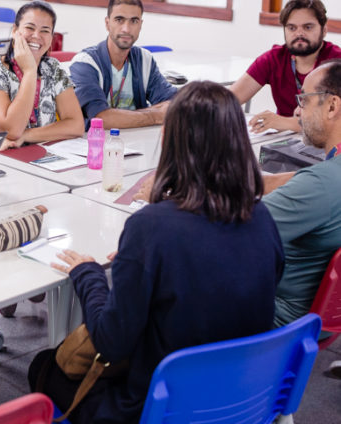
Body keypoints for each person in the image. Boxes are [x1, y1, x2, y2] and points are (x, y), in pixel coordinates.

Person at [28, 81, 284, 424]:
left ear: (168, 139)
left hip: (159, 405)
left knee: (43, 366)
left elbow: (110, 342)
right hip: (243, 396)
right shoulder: (261, 216)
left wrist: (89, 275)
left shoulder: (151, 228)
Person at [261, 59, 341, 328]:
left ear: (332, 106)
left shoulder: (320, 184)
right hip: (326, 318)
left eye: (304, 100)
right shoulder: (326, 178)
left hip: (279, 324)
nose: (297, 111)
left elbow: (235, 233)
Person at [0, 0, 84, 150]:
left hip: (39, 156)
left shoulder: (53, 68)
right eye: (30, 28)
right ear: (15, 31)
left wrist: (26, 135)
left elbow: (76, 125)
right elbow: (12, 130)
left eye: (45, 31)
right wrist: (30, 71)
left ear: (51, 37)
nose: (36, 36)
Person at [231, 0, 341, 134]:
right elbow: (229, 100)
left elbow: (335, 123)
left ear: (324, 30)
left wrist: (285, 122)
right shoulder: (273, 59)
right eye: (291, 28)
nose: (299, 34)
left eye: (308, 27)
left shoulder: (336, 62)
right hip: (284, 139)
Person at [70, 0, 177, 130]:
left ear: (140, 25)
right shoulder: (85, 63)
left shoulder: (145, 59)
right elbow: (101, 119)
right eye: (119, 20)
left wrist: (121, 118)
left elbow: (174, 104)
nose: (126, 29)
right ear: (107, 23)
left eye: (134, 21)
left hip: (138, 138)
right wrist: (155, 115)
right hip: (98, 141)